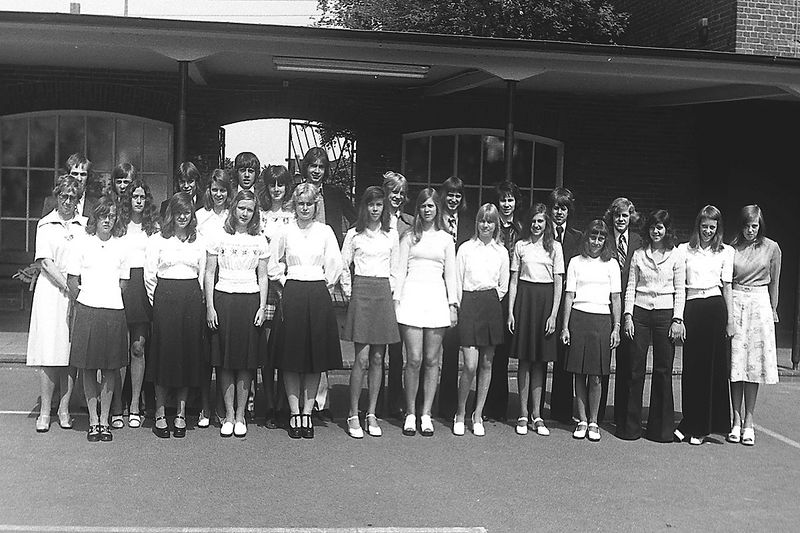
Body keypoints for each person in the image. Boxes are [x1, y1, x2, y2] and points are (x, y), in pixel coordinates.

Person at [268, 183, 343, 439]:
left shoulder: (325, 231)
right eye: (300, 204)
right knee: (290, 357)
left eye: (309, 204)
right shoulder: (285, 230)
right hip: (293, 292)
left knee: (314, 358)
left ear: (315, 205)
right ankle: (294, 413)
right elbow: (272, 262)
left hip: (317, 292)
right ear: (294, 205)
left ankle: (307, 413)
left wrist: (324, 285)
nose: (305, 208)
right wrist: (285, 281)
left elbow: (335, 264)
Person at [205, 190, 269, 438]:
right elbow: (210, 273)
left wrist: (262, 306)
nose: (245, 213)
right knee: (224, 362)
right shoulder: (219, 236)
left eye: (249, 210)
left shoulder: (260, 240)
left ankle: (241, 415)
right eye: (241, 208)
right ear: (233, 209)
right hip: (223, 299)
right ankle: (229, 415)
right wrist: (210, 306)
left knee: (245, 362)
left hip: (249, 300)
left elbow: (262, 276)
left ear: (255, 213)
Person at [394, 188, 458, 436]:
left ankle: (426, 414)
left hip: (436, 301)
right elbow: (400, 271)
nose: (427, 210)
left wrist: (452, 305)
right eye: (423, 206)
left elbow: (450, 275)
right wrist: (396, 301)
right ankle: (410, 413)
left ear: (437, 208)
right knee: (414, 359)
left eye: (431, 206)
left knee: (432, 360)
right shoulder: (409, 237)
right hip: (411, 299)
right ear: (418, 209)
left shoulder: (446, 239)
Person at [144, 193, 208, 439]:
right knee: (164, 356)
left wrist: (196, 300)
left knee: (186, 356)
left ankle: (180, 413)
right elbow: (150, 276)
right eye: (179, 212)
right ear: (171, 214)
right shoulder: (157, 239)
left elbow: (202, 274)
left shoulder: (198, 240)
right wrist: (159, 302)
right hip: (165, 299)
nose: (183, 217)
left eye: (187, 212)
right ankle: (160, 413)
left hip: (190, 299)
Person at [618, 209, 685, 442]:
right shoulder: (638, 254)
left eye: (660, 227)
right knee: (635, 369)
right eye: (653, 227)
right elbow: (631, 287)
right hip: (640, 313)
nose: (656, 231)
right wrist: (628, 316)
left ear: (667, 230)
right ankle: (630, 428)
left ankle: (661, 430)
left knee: (663, 370)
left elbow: (680, 290)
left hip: (665, 315)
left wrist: (677, 319)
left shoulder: (676, 255)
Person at [66, 197, 130, 442]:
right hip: (87, 310)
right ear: (95, 217)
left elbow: (124, 283)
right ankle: (93, 420)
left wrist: (107, 297)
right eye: (103, 215)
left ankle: (105, 421)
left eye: (111, 216)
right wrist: (87, 299)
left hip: (113, 311)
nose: (107, 220)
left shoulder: (121, 246)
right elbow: (73, 280)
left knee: (111, 368)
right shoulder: (82, 244)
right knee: (89, 367)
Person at [299, 147, 356, 419]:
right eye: (313, 165)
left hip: (326, 274)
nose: (317, 170)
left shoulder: (334, 194)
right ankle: (298, 401)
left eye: (321, 166)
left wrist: (344, 250)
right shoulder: (297, 194)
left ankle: (320, 402)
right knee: (300, 339)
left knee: (320, 338)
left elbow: (356, 222)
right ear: (305, 167)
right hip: (302, 271)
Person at [27, 175, 86, 432]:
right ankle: (45, 411)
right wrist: (67, 286)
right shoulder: (45, 225)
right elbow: (45, 262)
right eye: (64, 196)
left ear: (78, 199)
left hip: (77, 292)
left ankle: (64, 409)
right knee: (49, 351)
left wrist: (77, 290)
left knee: (70, 352)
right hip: (51, 292)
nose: (68, 201)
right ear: (57, 196)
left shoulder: (84, 226)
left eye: (73, 197)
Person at [341, 186, 401, 438]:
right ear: (364, 206)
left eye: (379, 204)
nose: (375, 209)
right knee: (362, 358)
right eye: (371, 204)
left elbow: (396, 270)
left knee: (378, 358)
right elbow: (343, 265)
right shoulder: (354, 234)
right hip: (362, 291)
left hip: (383, 293)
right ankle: (353, 413)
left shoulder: (391, 235)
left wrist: (392, 296)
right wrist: (349, 292)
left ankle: (372, 413)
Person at [674, 205, 734, 445]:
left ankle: (702, 427)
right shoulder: (683, 250)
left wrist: (730, 320)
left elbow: (727, 287)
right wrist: (678, 317)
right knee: (692, 369)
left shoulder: (726, 252)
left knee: (711, 369)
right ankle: (689, 421)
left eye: (712, 227)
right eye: (704, 226)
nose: (708, 231)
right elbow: (680, 285)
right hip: (692, 308)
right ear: (697, 225)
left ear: (718, 228)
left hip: (714, 308)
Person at [560, 220, 621, 442]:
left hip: (601, 320)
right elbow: (569, 295)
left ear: (605, 241)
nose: (596, 242)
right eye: (593, 237)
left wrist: (616, 327)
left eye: (600, 238)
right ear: (586, 238)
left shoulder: (612, 264)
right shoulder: (575, 262)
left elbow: (616, 298)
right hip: (578, 318)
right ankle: (582, 420)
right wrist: (565, 326)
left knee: (596, 376)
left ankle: (594, 421)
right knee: (578, 372)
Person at [507, 203, 564, 436]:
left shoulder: (555, 247)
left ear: (546, 223)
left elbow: (559, 284)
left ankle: (537, 415)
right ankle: (522, 414)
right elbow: (513, 281)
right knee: (525, 360)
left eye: (540, 221)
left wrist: (553, 315)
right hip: (525, 302)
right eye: (533, 221)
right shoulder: (520, 246)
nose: (536, 225)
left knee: (540, 362)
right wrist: (511, 312)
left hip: (545, 303)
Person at [452, 203, 509, 436]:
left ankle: (477, 415)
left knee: (487, 363)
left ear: (496, 225)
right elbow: (457, 280)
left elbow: (503, 286)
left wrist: (490, 300)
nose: (485, 225)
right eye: (482, 220)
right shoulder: (465, 249)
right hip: (469, 303)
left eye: (490, 221)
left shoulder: (501, 252)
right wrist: (458, 307)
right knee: (470, 364)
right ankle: (460, 413)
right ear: (476, 222)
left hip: (491, 305)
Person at [728, 205, 781, 446]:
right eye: (747, 226)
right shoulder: (732, 248)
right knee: (736, 364)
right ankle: (735, 420)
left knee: (753, 366)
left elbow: (775, 282)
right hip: (737, 302)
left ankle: (749, 420)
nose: (750, 230)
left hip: (759, 305)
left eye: (754, 226)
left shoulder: (772, 248)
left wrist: (773, 309)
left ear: (760, 226)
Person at [113, 178, 159, 429]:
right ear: (128, 200)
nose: (138, 201)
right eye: (134, 197)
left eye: (142, 197)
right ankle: (116, 406)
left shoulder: (154, 227)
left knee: (138, 348)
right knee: (119, 349)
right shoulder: (118, 225)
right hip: (121, 285)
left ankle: (134, 404)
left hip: (143, 286)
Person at [257, 164, 295, 428]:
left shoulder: (293, 217)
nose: (277, 189)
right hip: (266, 288)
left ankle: (283, 404)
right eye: (272, 184)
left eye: (281, 184)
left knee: (285, 348)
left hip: (289, 287)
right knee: (267, 348)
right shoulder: (261, 216)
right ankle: (269, 404)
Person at [483, 181, 523, 422]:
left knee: (506, 352)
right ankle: (488, 405)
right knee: (491, 351)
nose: (506, 204)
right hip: (493, 292)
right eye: (503, 200)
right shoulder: (490, 226)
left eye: (510, 200)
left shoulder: (521, 229)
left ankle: (503, 406)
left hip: (514, 294)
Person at [438, 176, 474, 420]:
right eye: (450, 194)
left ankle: (449, 406)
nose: (453, 199)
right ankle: (425, 403)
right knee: (430, 352)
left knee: (452, 349)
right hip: (434, 289)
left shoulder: (469, 224)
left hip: (460, 291)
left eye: (457, 195)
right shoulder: (435, 220)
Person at [547, 187, 582, 424]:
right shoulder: (542, 234)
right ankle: (534, 409)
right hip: (546, 299)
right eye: (556, 208)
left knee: (564, 354)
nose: (559, 212)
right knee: (541, 354)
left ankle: (561, 410)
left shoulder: (577, 238)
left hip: (568, 301)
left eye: (564, 208)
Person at [605, 197, 641, 428]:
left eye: (625, 215)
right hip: (604, 304)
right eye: (617, 215)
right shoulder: (604, 237)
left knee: (627, 362)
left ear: (631, 217)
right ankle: (597, 414)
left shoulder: (638, 241)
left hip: (629, 306)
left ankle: (622, 415)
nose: (620, 219)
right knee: (601, 362)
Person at [382, 171, 414, 419]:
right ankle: (373, 401)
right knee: (375, 351)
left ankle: (395, 401)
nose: (397, 197)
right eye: (394, 191)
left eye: (401, 193)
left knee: (396, 350)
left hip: (401, 291)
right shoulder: (374, 217)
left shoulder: (411, 223)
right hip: (378, 287)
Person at [41, 153, 97, 218]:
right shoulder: (51, 203)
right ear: (67, 175)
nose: (79, 178)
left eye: (83, 174)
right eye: (75, 174)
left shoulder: (95, 204)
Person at [196, 168, 232, 241]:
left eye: (222, 190)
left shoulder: (233, 215)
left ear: (228, 192)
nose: (218, 194)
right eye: (215, 190)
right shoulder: (199, 215)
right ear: (209, 191)